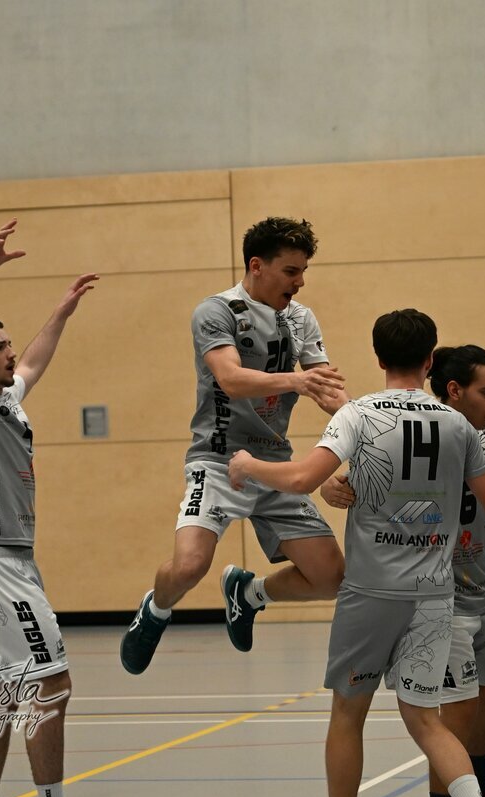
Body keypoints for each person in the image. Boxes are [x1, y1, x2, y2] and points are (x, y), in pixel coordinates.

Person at [229, 309, 485, 797]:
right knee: (428, 721)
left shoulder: (359, 414)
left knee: (348, 714)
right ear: (430, 360)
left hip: (371, 592)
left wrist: (249, 464)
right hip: (434, 595)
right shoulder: (458, 425)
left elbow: (303, 478)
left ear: (378, 358)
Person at [321, 344, 485, 797]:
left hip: (480, 587)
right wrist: (331, 484)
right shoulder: (437, 429)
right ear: (454, 389)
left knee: (482, 699)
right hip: (440, 592)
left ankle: (480, 787)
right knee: (444, 717)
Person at [119, 216, 348, 675]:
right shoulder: (216, 311)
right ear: (257, 265)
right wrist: (296, 381)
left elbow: (327, 390)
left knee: (330, 579)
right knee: (189, 567)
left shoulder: (301, 319)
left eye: (304, 271)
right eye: (291, 271)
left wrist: (369, 429)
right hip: (218, 461)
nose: (300, 282)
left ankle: (248, 594)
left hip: (273, 464)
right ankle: (155, 610)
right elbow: (231, 378)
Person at [0, 219, 96, 797]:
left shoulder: (8, 399)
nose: (11, 353)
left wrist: (61, 314)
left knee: (0, 691)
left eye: (9, 345)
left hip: (16, 562)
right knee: (52, 682)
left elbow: (34, 362)